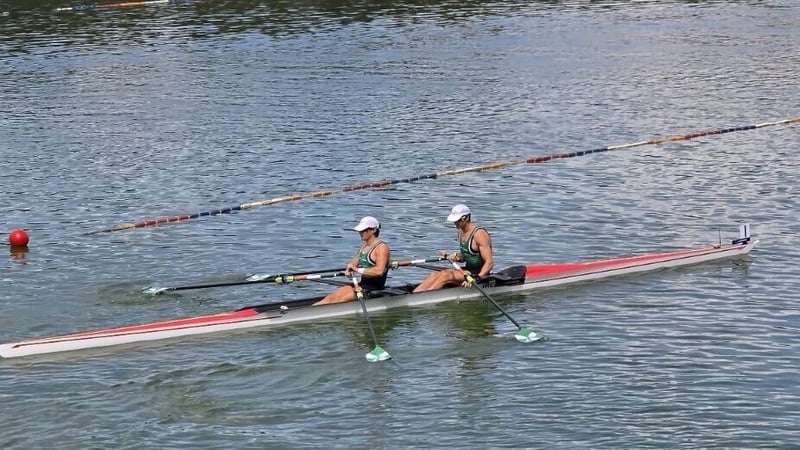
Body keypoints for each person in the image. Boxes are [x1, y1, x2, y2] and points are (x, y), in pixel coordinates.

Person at [413, 204, 493, 293]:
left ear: (465, 218)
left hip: (479, 274)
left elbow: (489, 263)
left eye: (457, 220)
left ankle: (423, 298)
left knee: (445, 276)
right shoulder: (461, 232)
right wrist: (456, 257)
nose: (454, 223)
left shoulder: (479, 234)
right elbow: (467, 256)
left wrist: (477, 278)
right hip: (467, 271)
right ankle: (414, 294)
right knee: (434, 275)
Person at [313, 216, 391, 305]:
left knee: (339, 299)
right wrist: (348, 269)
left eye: (363, 230)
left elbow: (379, 271)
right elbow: (354, 263)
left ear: (373, 230)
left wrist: (357, 270)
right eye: (360, 230)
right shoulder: (364, 246)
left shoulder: (381, 248)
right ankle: (312, 309)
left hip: (374, 288)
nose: (360, 232)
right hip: (362, 285)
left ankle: (312, 313)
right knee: (331, 297)